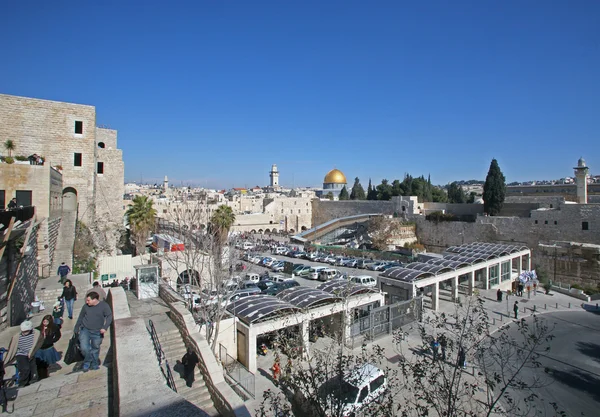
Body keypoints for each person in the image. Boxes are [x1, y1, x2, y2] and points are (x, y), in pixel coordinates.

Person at [75, 292, 112, 372]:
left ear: (94, 299)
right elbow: (80, 317)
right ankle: (87, 362)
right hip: (85, 330)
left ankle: (94, 364)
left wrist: (105, 327)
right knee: (84, 348)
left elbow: (109, 316)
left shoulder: (104, 306)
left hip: (97, 331)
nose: (86, 302)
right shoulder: (85, 307)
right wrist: (76, 328)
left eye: (88, 300)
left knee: (95, 348)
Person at [4, 321, 43, 387]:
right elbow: (13, 347)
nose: (25, 333)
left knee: (33, 367)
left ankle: (32, 379)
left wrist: (31, 353)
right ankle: (22, 382)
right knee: (25, 368)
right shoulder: (17, 336)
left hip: (30, 353)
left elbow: (38, 342)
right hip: (21, 353)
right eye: (23, 331)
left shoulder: (36, 333)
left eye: (27, 331)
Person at [35, 315, 61, 379]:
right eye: (44, 321)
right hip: (40, 348)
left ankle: (45, 374)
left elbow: (58, 336)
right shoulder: (38, 329)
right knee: (40, 363)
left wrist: (51, 341)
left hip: (48, 347)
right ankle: (42, 375)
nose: (45, 323)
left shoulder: (54, 328)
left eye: (47, 322)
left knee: (47, 363)